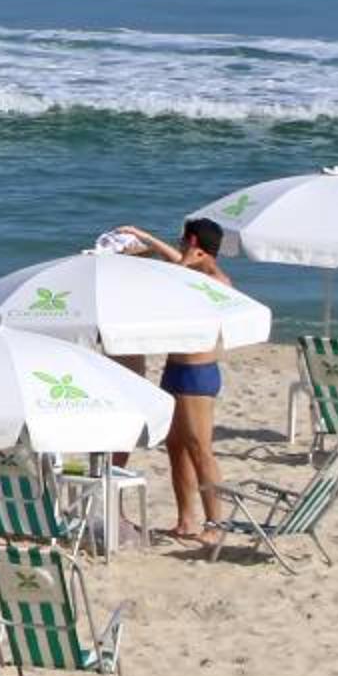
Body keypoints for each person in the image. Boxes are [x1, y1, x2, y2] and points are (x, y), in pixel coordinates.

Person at [114, 215, 231, 541]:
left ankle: (215, 525)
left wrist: (181, 263)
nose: (178, 246)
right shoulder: (189, 271)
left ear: (193, 243)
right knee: (176, 447)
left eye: (182, 241)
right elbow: (171, 263)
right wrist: (141, 234)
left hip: (197, 374)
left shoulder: (217, 281)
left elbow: (169, 286)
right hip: (175, 370)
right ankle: (186, 521)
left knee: (200, 449)